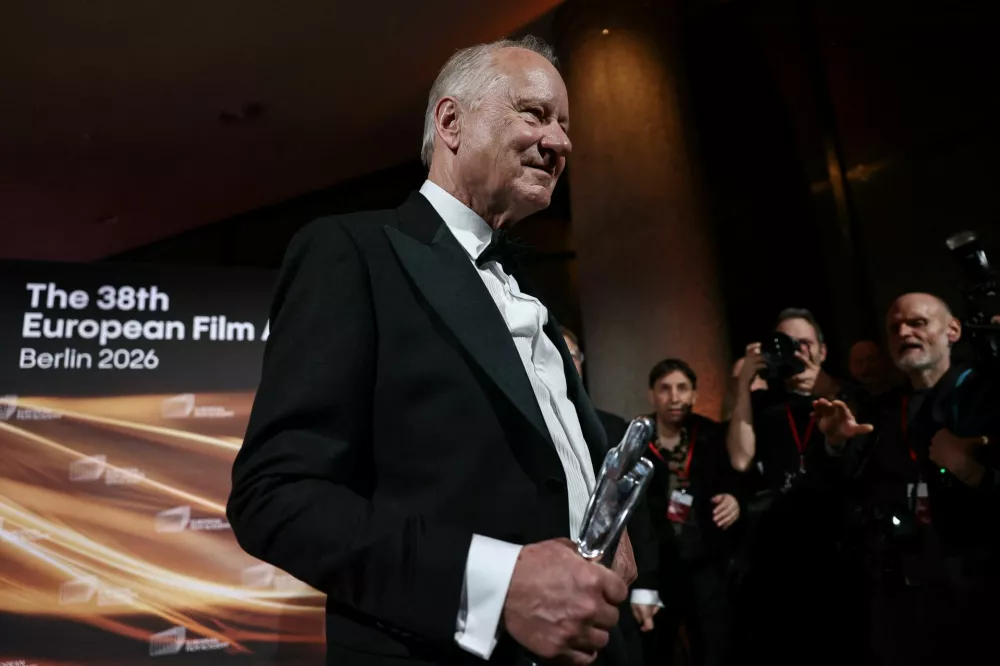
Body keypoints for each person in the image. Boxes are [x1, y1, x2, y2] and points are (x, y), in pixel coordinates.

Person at [227, 36, 636, 666]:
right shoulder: (350, 252)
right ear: (450, 121)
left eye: (564, 124)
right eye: (534, 114)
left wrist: (600, 519)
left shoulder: (525, 291)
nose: (560, 143)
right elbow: (275, 497)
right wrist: (499, 586)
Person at [816, 292, 1000, 666]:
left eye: (917, 322)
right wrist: (835, 443)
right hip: (907, 593)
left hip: (982, 589)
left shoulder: (988, 394)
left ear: (952, 330)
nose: (903, 331)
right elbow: (848, 485)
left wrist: (972, 471)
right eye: (894, 327)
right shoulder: (882, 409)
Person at [726, 308, 861, 665]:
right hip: (779, 549)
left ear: (822, 350)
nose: (798, 351)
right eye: (787, 344)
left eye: (806, 343)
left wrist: (825, 388)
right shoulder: (764, 402)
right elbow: (740, 458)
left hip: (837, 542)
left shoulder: (845, 393)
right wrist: (744, 381)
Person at [631, 359, 741, 666]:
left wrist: (735, 498)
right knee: (657, 651)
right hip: (657, 564)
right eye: (665, 389)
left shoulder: (711, 435)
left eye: (682, 388)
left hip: (705, 563)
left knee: (714, 648)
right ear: (652, 395)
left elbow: (738, 479)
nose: (674, 397)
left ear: (694, 394)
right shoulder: (637, 440)